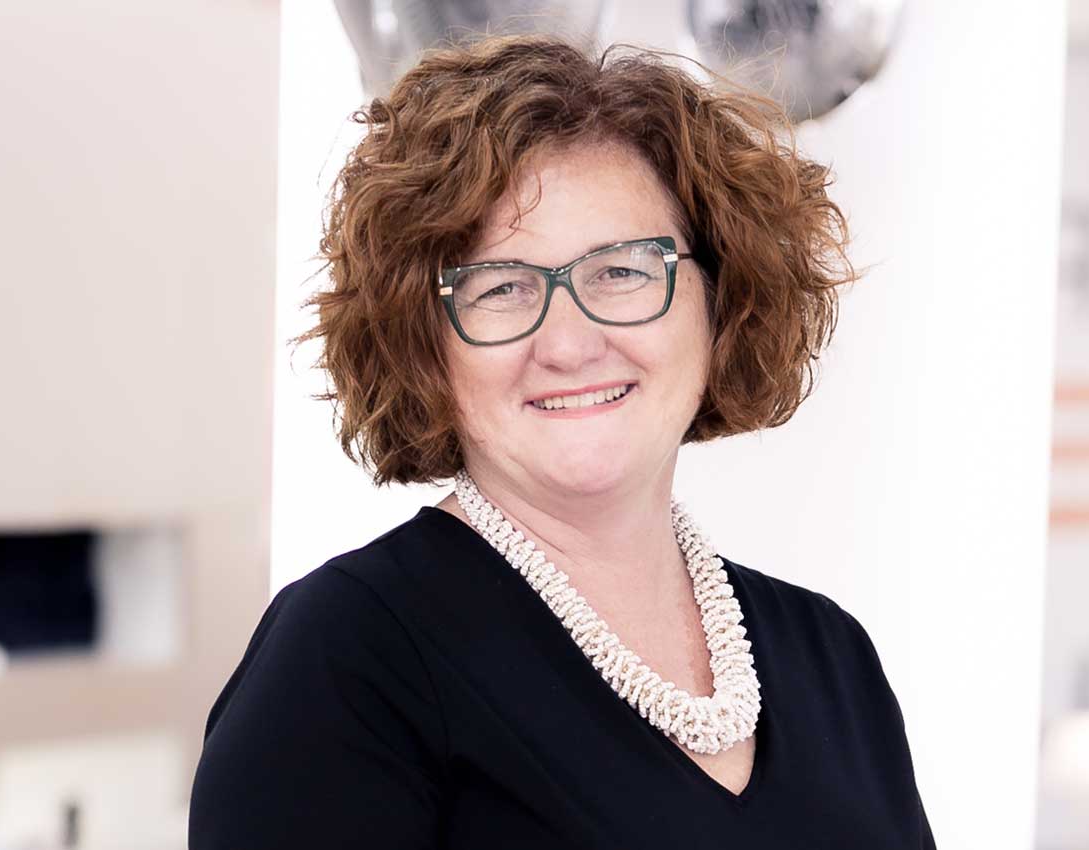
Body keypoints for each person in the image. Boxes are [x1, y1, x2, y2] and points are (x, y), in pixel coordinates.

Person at [188, 31, 936, 849]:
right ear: (424, 342)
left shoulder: (831, 658)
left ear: (720, 298)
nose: (570, 343)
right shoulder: (345, 659)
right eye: (501, 288)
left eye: (621, 271)